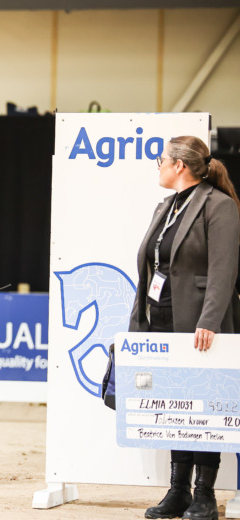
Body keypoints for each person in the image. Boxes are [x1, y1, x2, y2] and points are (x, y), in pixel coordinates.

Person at [129, 136, 240, 520]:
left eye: (161, 159)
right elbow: (153, 268)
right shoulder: (166, 206)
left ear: (179, 165)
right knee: (176, 406)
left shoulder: (219, 205)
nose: (157, 165)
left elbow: (224, 270)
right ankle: (177, 490)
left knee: (203, 407)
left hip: (200, 323)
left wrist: (209, 321)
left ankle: (204, 494)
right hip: (161, 318)